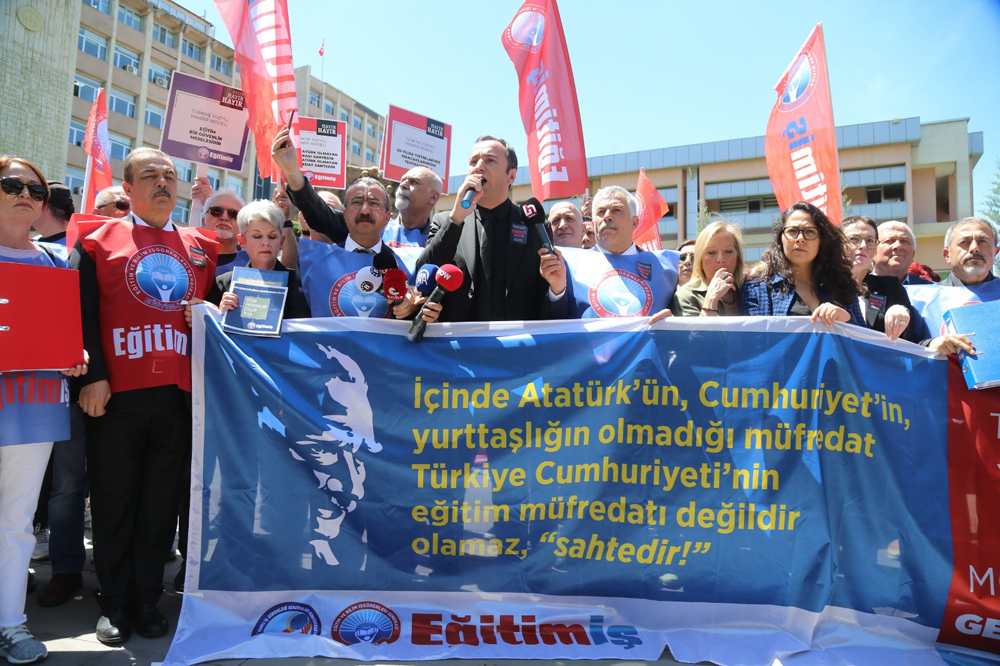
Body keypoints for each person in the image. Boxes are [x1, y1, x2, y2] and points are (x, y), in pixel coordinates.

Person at [72, 148, 218, 646]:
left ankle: (147, 600)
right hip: (115, 396)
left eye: (169, 175)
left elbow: (216, 313)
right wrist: (91, 377)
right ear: (128, 188)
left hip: (177, 397)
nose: (162, 183)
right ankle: (114, 601)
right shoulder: (96, 240)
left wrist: (207, 311)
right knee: (114, 500)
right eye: (150, 175)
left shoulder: (201, 246)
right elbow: (81, 312)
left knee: (160, 505)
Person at [0, 155, 87, 665]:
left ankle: (10, 624)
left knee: (15, 522)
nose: (26, 195)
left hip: (32, 407)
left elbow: (66, 332)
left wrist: (76, 356)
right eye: (12, 184)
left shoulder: (57, 261)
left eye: (36, 190)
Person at [416, 135, 566, 321]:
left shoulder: (535, 226)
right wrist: (456, 218)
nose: (479, 166)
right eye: (473, 161)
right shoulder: (446, 220)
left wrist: (557, 288)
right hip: (456, 338)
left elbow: (547, 302)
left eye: (490, 160)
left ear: (511, 175)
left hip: (516, 338)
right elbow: (423, 272)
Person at [739, 202, 865, 327]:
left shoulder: (843, 286)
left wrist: (846, 319)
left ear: (822, 240)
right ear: (780, 239)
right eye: (792, 231)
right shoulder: (756, 288)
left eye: (810, 231)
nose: (800, 238)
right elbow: (754, 337)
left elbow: (865, 337)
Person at [561, 186, 678, 319]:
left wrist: (675, 322)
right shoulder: (569, 264)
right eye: (601, 211)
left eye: (616, 210)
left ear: (634, 222)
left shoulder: (670, 266)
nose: (607, 217)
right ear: (593, 224)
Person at [192, 200, 310, 320]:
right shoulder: (223, 284)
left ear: (281, 242)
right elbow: (207, 326)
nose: (265, 242)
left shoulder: (300, 284)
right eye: (257, 236)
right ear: (243, 241)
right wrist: (219, 314)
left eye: (272, 236)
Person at [839, 215, 917, 341]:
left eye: (870, 240)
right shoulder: (819, 285)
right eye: (854, 239)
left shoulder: (890, 287)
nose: (863, 245)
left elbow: (909, 342)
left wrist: (902, 312)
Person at [671, 221, 744, 317]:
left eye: (728, 251)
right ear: (700, 261)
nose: (721, 259)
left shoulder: (749, 290)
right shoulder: (686, 296)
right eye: (711, 252)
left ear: (738, 258)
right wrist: (711, 299)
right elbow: (697, 328)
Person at [383, 167, 442, 248]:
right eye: (402, 180)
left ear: (433, 197)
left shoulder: (440, 242)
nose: (402, 185)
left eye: (414, 182)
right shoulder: (378, 229)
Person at [201, 188, 248, 276]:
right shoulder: (185, 258)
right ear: (204, 222)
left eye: (233, 214)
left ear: (242, 227)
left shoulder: (252, 264)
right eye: (216, 211)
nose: (224, 217)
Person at [940, 217, 998, 286]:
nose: (974, 248)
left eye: (983, 241)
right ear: (947, 255)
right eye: (964, 242)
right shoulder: (933, 292)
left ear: (995, 252)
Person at [872, 220, 933, 285]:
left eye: (905, 241)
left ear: (913, 254)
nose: (898, 246)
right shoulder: (863, 287)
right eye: (888, 240)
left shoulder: (930, 289)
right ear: (872, 251)